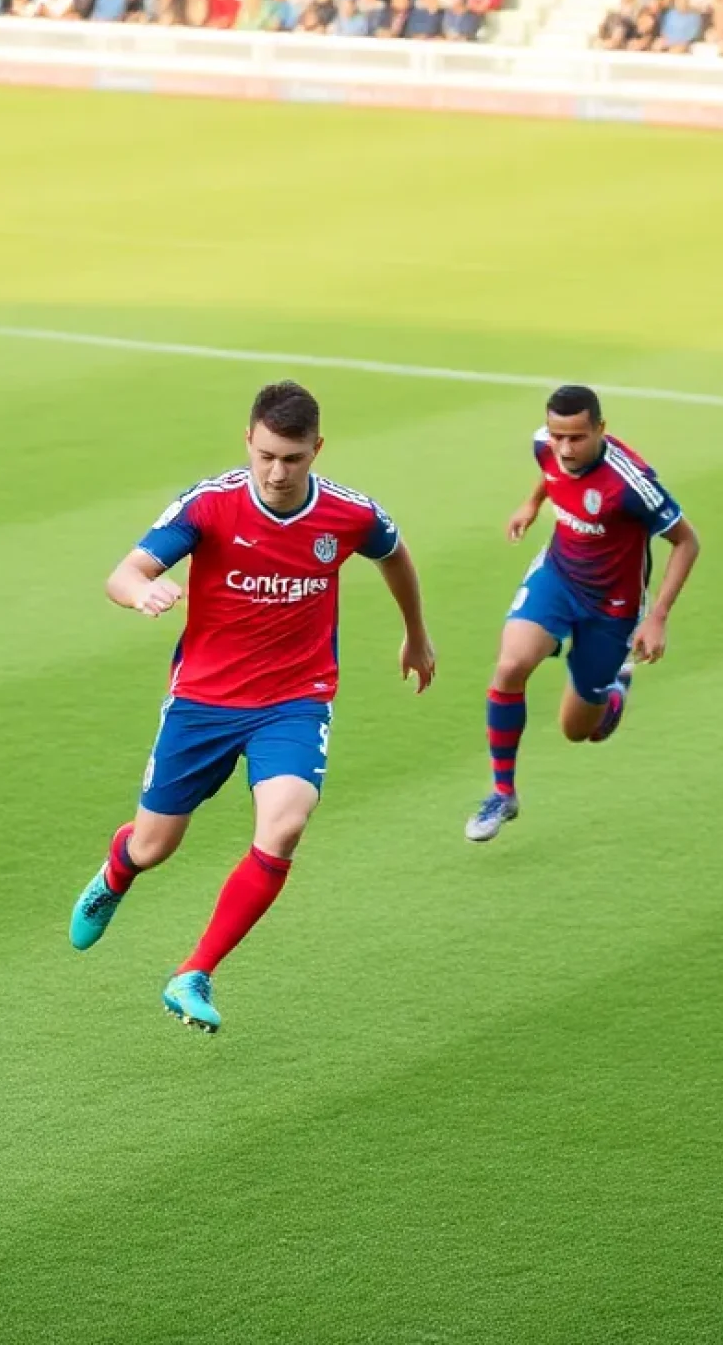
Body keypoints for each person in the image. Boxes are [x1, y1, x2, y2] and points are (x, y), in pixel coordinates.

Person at [67, 381, 436, 1033]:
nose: (276, 471)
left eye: (292, 459)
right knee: (154, 845)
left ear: (316, 449)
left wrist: (416, 632)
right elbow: (123, 572)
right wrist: (140, 594)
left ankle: (195, 971)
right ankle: (117, 873)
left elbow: (395, 555)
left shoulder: (349, 515)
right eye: (266, 454)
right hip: (202, 702)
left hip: (294, 702)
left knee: (287, 823)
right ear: (248, 440)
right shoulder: (210, 505)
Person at [465, 385, 701, 844]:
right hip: (558, 576)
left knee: (579, 731)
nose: (566, 449)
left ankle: (615, 688)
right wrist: (532, 504)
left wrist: (659, 617)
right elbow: (550, 470)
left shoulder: (633, 485)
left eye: (577, 438)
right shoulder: (547, 446)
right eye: (558, 437)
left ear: (600, 430)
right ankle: (502, 793)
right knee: (511, 664)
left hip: (612, 606)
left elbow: (687, 542)